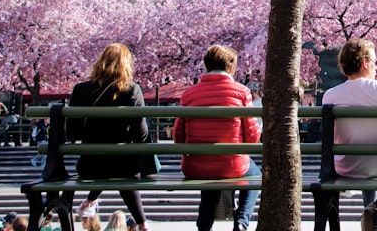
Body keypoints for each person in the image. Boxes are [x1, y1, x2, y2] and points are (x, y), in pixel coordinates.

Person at [174, 44, 262, 231]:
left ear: (206, 66)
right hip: (232, 165)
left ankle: (204, 226)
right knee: (255, 175)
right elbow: (252, 138)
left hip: (196, 167)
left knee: (209, 175)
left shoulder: (189, 94)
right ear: (231, 67)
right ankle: (242, 221)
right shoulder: (241, 92)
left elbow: (178, 137)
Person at [66, 43, 153, 231]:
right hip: (124, 166)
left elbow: (71, 133)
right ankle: (142, 224)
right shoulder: (132, 90)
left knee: (106, 163)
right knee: (122, 167)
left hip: (89, 165)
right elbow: (141, 134)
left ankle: (90, 201)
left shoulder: (81, 90)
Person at [321, 38, 377, 207]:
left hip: (345, 167)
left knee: (364, 162)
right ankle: (374, 212)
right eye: (375, 62)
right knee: (374, 164)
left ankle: (370, 209)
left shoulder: (331, 95)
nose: (376, 67)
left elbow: (330, 137)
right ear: (365, 63)